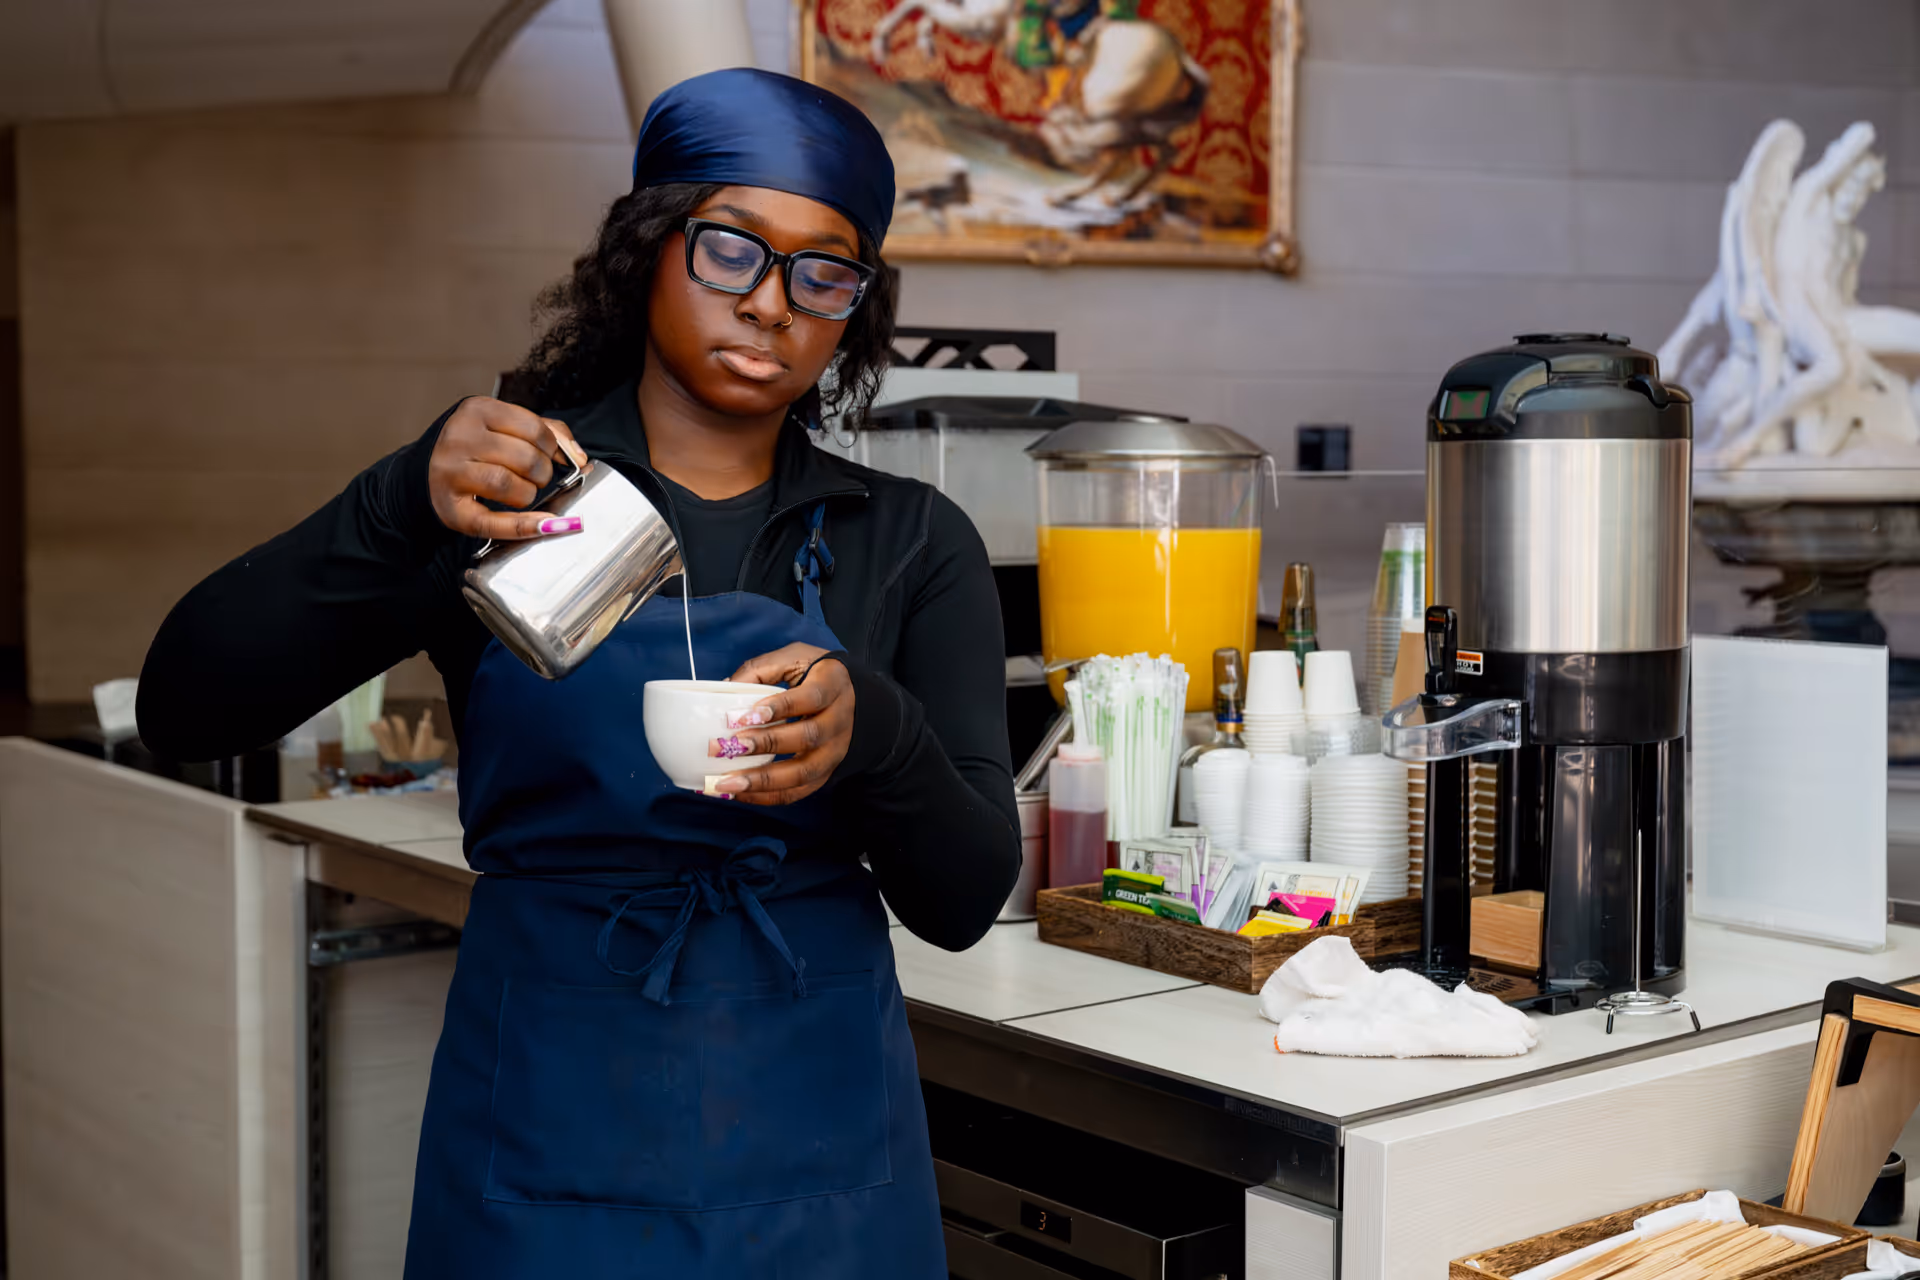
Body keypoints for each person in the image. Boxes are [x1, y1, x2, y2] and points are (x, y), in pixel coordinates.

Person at [137, 68, 1020, 1278]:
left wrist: (877, 732)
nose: (772, 305)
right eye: (732, 250)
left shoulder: (909, 538)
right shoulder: (504, 496)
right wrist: (402, 500)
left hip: (821, 1154)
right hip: (547, 1120)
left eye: (825, 272)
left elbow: (966, 898)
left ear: (854, 309)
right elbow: (185, 704)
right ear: (650, 249)